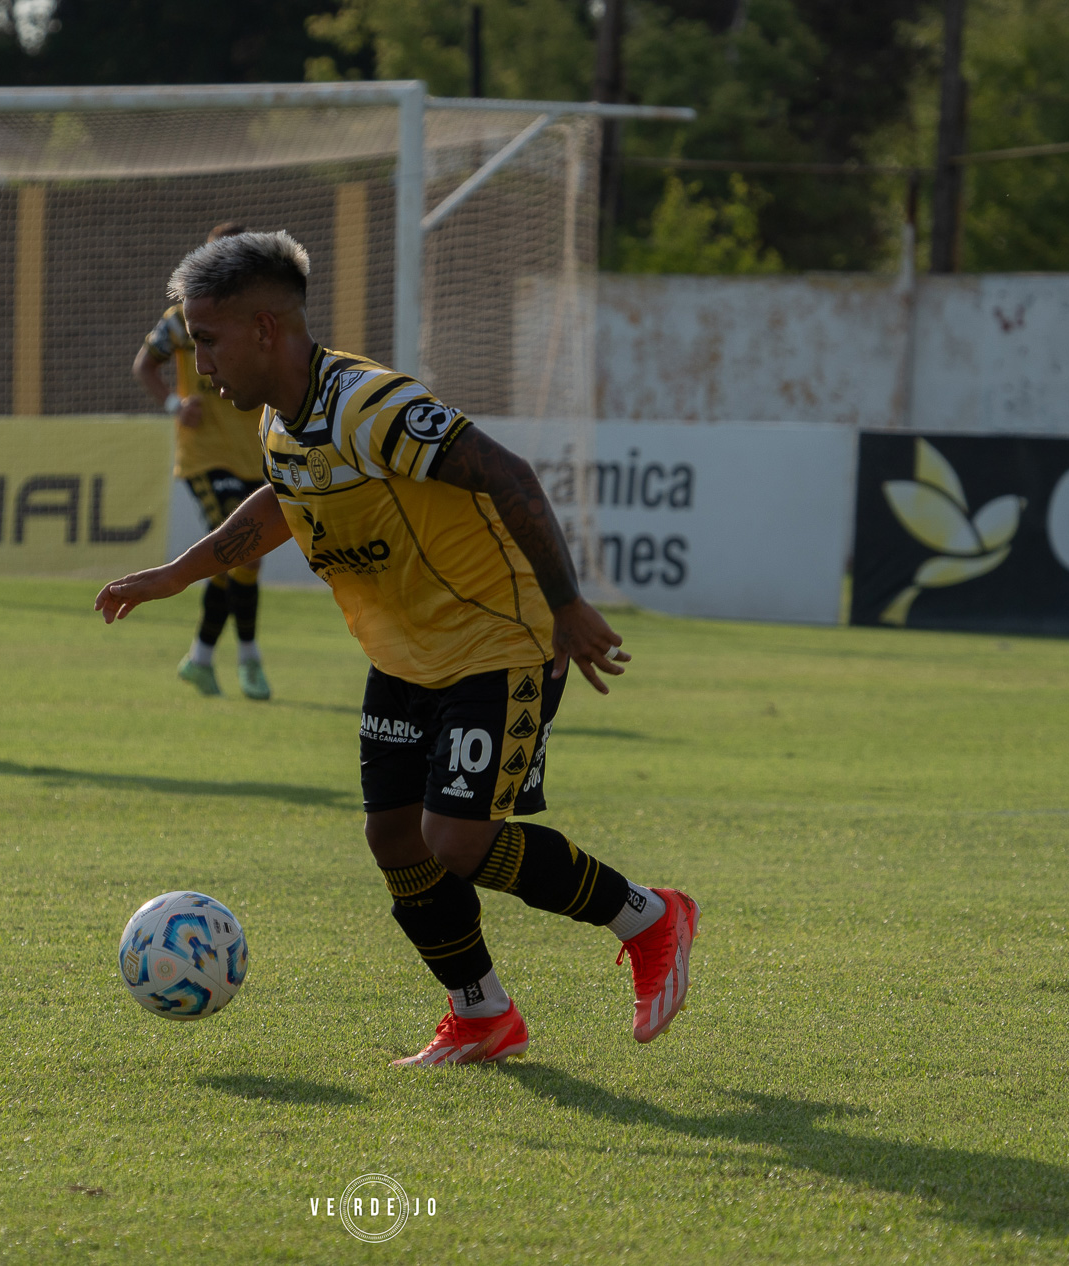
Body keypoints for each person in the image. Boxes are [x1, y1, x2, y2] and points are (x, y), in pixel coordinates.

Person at [96, 231, 698, 1065]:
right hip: (404, 657)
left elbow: (510, 473)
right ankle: (482, 1013)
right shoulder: (280, 417)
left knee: (457, 838)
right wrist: (178, 574)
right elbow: (280, 500)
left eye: (207, 340)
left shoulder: (366, 403)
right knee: (395, 839)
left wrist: (566, 604)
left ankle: (649, 918)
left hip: (500, 638)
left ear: (266, 328)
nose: (199, 361)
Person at [132, 222, 272, 701]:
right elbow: (144, 364)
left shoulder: (260, 321)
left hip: (256, 454)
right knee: (243, 551)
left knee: (233, 559)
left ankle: (201, 658)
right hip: (204, 456)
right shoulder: (182, 319)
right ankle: (250, 659)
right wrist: (174, 404)